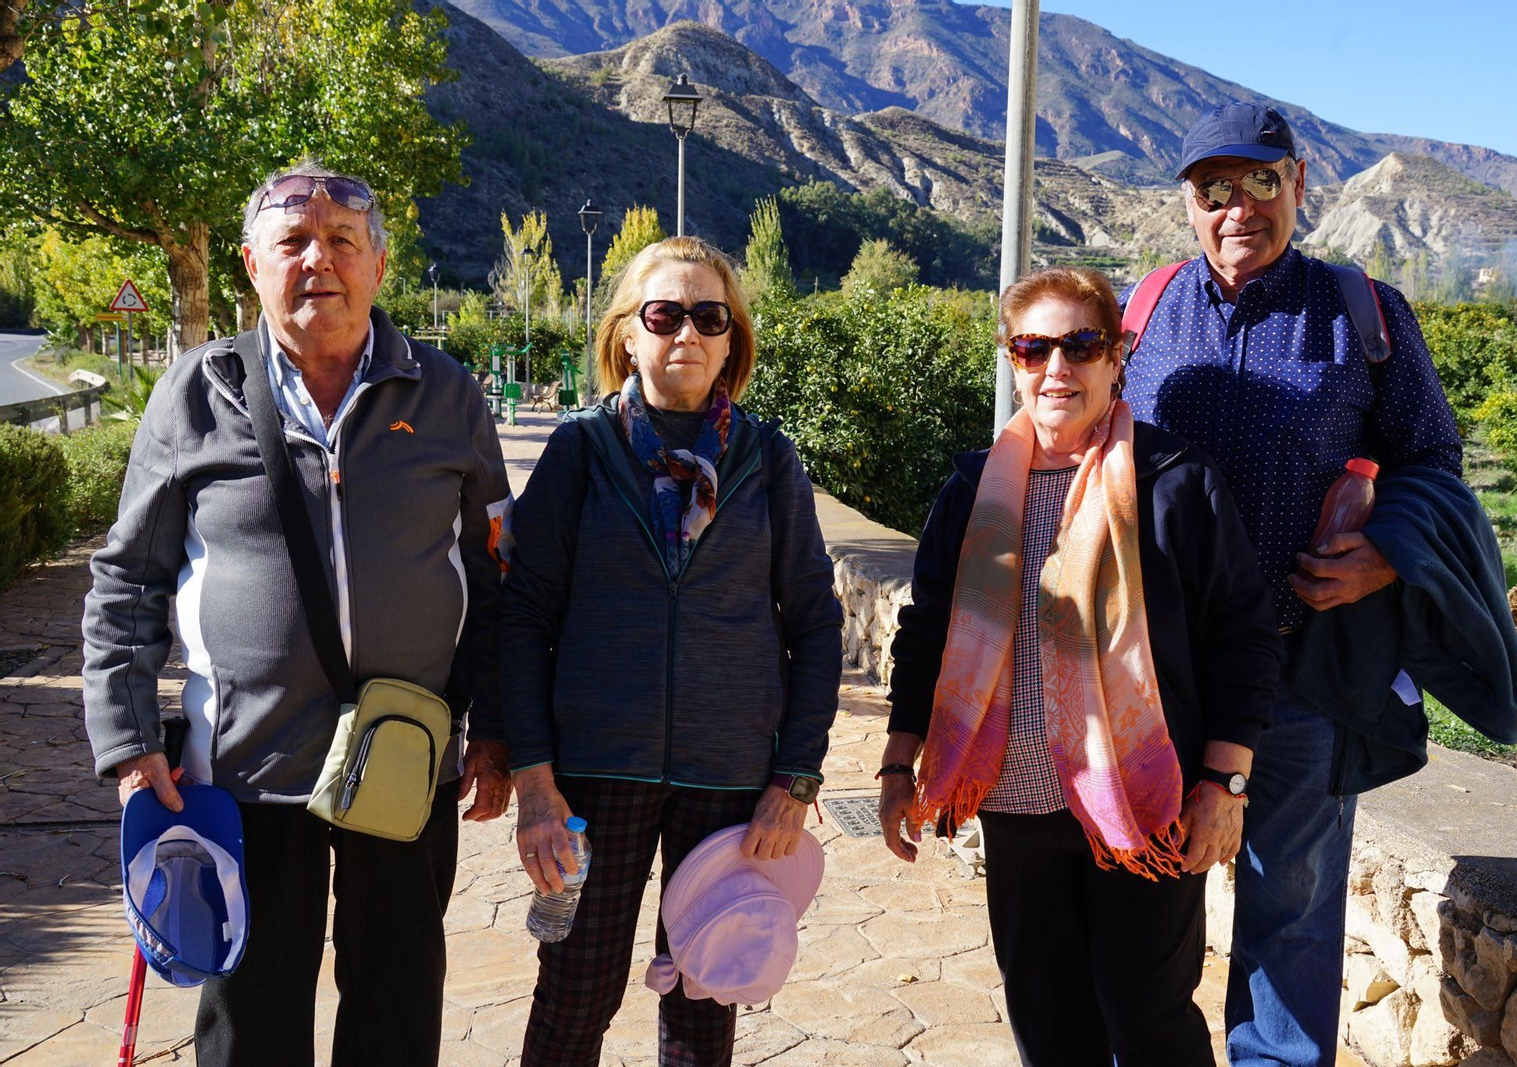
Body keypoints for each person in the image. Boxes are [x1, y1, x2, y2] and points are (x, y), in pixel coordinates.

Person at [82, 160, 513, 1067]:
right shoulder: (196, 393)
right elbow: (128, 581)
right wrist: (127, 742)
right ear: (252, 264)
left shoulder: (447, 395)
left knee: (397, 1010)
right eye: (293, 241)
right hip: (245, 769)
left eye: (343, 240)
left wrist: (497, 728)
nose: (319, 259)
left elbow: (496, 576)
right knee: (250, 1023)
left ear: (379, 264)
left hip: (404, 760)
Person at [1120, 103, 1466, 1066]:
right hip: (1160, 678)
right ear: (1187, 202)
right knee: (1146, 916)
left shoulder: (1363, 312)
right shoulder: (1141, 313)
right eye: (1214, 189)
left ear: (1300, 184)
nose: (1238, 207)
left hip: (1303, 673)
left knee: (1293, 919)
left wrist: (1384, 553)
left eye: (1260, 181)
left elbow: (1435, 461)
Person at [876, 266, 1283, 1066]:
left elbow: (1244, 636)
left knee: (1148, 1018)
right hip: (1015, 802)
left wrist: (1226, 783)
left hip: (1143, 805)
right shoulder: (970, 490)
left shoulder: (1175, 482)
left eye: (1081, 344)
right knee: (1048, 1021)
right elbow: (924, 635)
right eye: (1033, 348)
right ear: (1012, 360)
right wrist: (898, 765)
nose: (1056, 366)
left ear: (1115, 357)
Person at [500, 235, 843, 1066]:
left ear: (731, 340)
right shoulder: (582, 451)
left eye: (709, 316)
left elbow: (814, 622)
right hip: (595, 772)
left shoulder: (768, 459)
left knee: (703, 996)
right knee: (575, 995)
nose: (687, 331)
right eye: (664, 314)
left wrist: (795, 777)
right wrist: (535, 785)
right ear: (628, 333)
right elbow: (524, 619)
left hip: (728, 778)